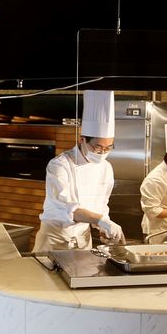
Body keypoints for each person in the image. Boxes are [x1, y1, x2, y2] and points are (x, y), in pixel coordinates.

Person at [33, 90, 125, 252]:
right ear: (82, 140)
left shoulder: (106, 168)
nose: (102, 153)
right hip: (55, 238)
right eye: (97, 148)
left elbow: (101, 205)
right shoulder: (59, 165)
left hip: (83, 239)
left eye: (108, 148)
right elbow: (70, 210)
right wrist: (102, 220)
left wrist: (103, 228)